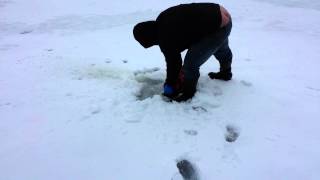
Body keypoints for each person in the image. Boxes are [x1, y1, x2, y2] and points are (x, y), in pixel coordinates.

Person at [133, 3, 233, 102]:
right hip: (218, 13)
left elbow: (174, 64)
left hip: (217, 26)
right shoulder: (162, 18)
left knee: (190, 66)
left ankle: (188, 93)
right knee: (221, 48)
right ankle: (226, 72)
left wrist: (170, 84)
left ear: (150, 38)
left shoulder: (165, 38)